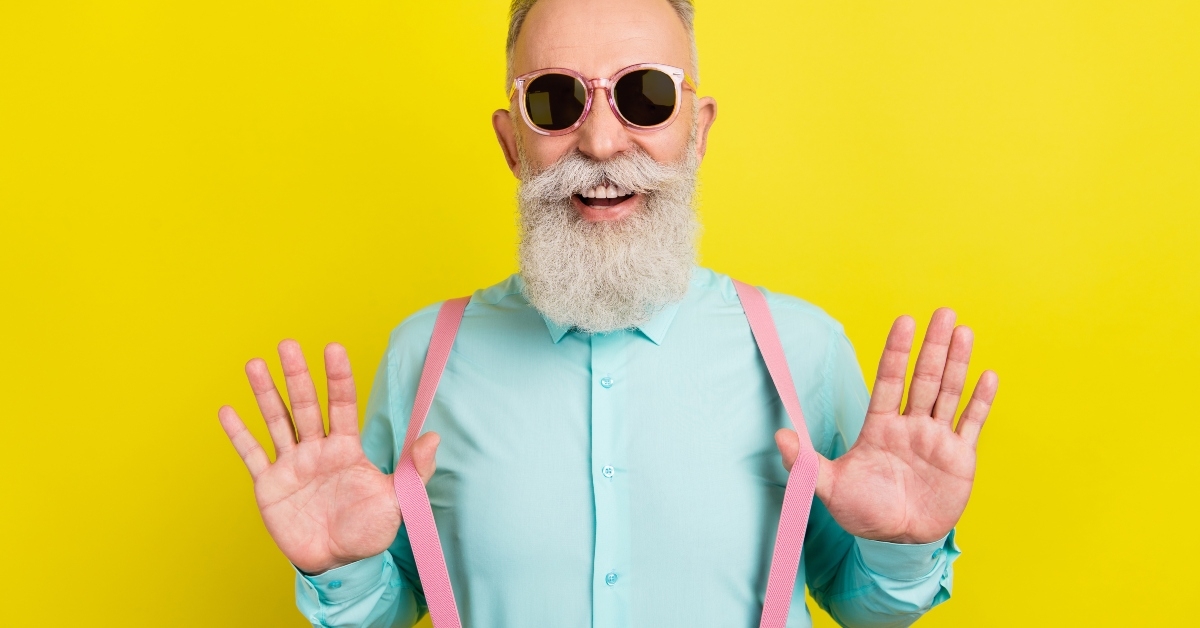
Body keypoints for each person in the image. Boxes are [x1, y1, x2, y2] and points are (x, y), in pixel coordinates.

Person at [217, 0, 999, 626]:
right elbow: (386, 607)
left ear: (698, 131)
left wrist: (905, 548)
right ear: (510, 141)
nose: (599, 141)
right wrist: (341, 570)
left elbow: (863, 604)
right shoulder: (424, 357)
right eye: (554, 100)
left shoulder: (804, 350)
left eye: (645, 95)